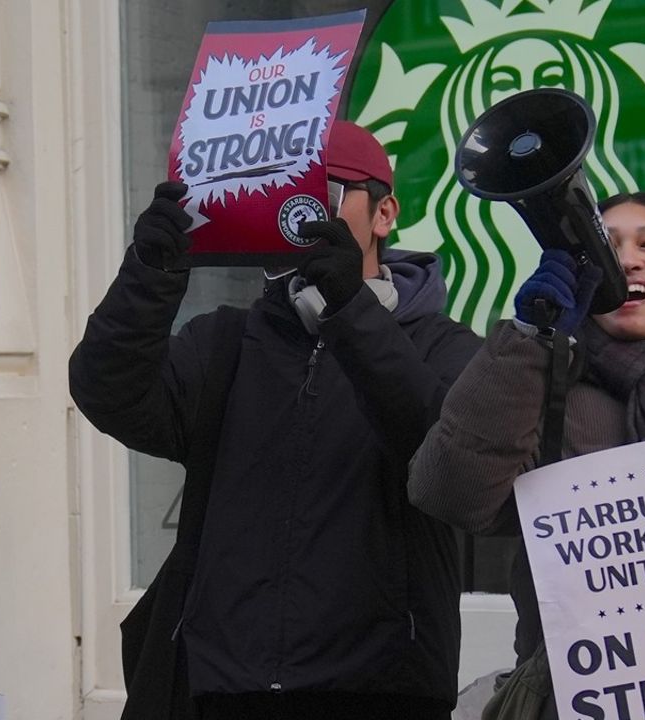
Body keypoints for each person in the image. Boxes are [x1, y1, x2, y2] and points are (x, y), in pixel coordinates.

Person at [69, 120, 482, 719]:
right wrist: (150, 274)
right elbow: (109, 392)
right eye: (284, 191)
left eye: (328, 194)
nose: (304, 210)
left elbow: (448, 458)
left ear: (385, 213)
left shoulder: (443, 346)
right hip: (226, 688)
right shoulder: (227, 343)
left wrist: (349, 309)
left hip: (381, 690)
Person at [407, 192, 645, 717]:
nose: (626, 259)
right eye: (604, 247)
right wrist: (529, 338)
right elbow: (448, 493)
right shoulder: (540, 390)